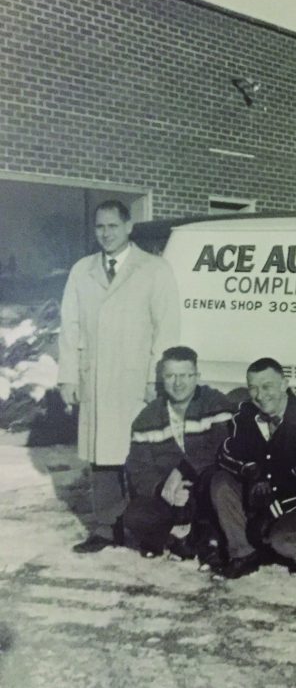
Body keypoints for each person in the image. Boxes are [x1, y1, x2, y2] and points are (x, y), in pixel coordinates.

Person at [58, 199, 180, 553]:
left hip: (135, 379)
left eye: (112, 226)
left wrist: (156, 377)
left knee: (140, 456)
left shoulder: (155, 269)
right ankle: (105, 527)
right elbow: (70, 327)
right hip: (95, 377)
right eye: (100, 227)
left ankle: (147, 528)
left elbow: (167, 328)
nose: (106, 234)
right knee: (101, 455)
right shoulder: (82, 270)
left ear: (129, 227)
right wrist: (68, 377)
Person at [209, 358, 296, 579]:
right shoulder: (245, 415)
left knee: (281, 540)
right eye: (253, 388)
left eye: (267, 386)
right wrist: (248, 469)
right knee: (220, 482)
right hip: (259, 498)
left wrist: (275, 510)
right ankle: (243, 553)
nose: (260, 395)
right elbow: (225, 455)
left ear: (284, 384)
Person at [122, 346, 233, 562]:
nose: (178, 383)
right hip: (171, 495)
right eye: (171, 376)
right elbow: (137, 468)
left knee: (218, 490)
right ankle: (179, 535)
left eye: (184, 375)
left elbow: (223, 446)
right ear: (162, 379)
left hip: (205, 489)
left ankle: (199, 537)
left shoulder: (215, 403)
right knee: (136, 516)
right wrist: (163, 487)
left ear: (196, 377)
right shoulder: (147, 418)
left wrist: (182, 471)